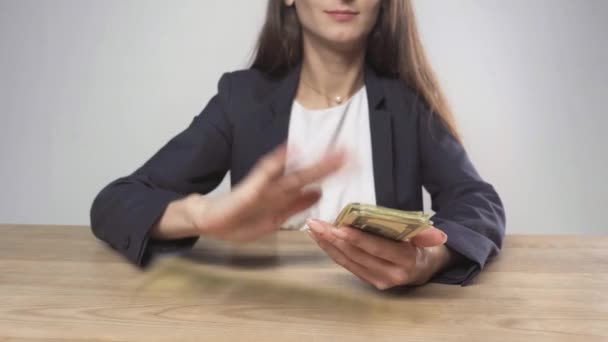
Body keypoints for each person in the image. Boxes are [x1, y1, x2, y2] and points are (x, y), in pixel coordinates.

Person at [90, 0, 505, 289]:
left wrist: (429, 261)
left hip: (383, 324)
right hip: (262, 317)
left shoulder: (406, 107)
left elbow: (478, 200)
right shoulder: (241, 100)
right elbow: (117, 201)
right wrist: (205, 215)